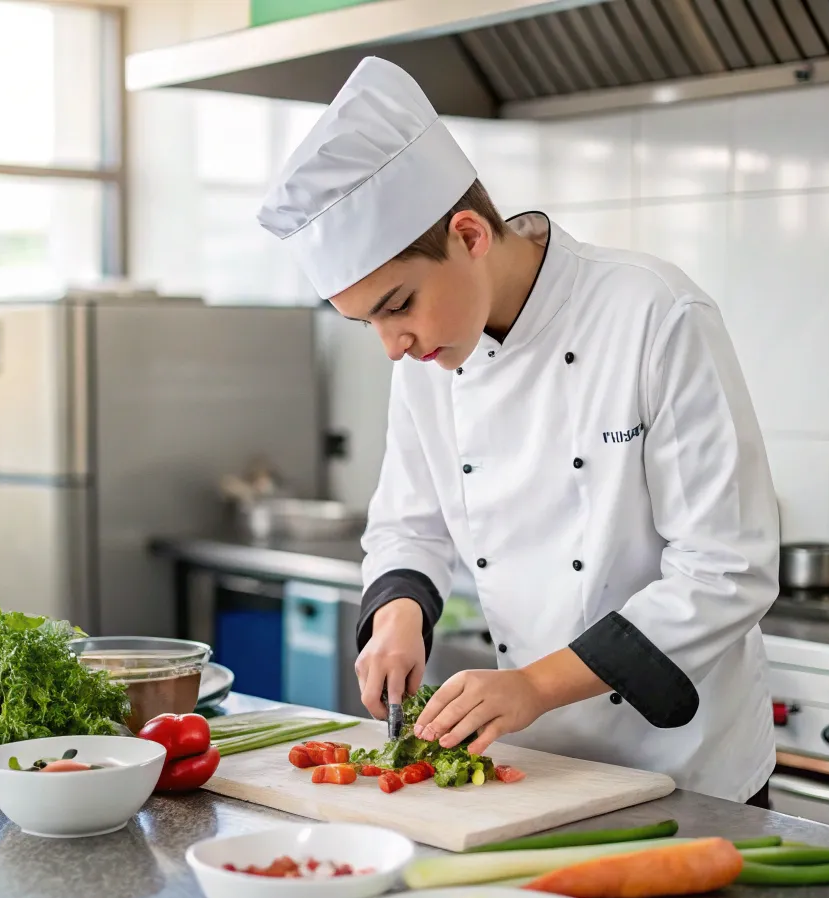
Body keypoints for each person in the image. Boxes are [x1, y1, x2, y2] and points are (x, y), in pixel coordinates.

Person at [258, 57, 780, 805]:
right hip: (529, 770)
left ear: (469, 235)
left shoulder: (652, 313)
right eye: (368, 320)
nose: (392, 345)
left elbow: (728, 569)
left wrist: (535, 684)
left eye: (397, 305)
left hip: (683, 773)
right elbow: (409, 524)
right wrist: (399, 618)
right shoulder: (432, 350)